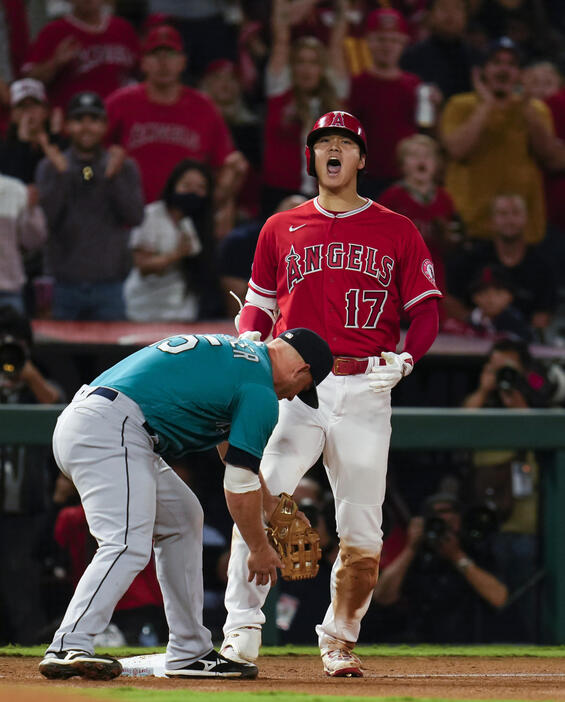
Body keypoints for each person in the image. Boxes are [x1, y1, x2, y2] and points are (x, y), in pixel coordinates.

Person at [220, 110, 442, 677]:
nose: (334, 150)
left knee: (363, 530)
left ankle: (339, 638)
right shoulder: (280, 226)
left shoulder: (397, 228)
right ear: (313, 157)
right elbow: (258, 303)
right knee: (263, 502)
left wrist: (409, 357)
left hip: (368, 384)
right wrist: (249, 342)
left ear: (362, 159)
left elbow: (427, 310)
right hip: (297, 389)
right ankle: (241, 630)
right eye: (324, 144)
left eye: (344, 143)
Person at [38, 326, 333, 681]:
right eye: (303, 389)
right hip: (113, 428)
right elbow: (238, 483)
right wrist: (258, 547)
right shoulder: (260, 389)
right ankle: (69, 643)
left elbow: (230, 450)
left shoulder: (242, 358)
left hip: (105, 421)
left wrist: (269, 505)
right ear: (302, 371)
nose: (292, 398)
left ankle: (189, 651)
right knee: (127, 543)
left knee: (183, 518)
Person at [105, 24, 247, 211]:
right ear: (143, 62)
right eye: (156, 54)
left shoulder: (203, 107)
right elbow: (85, 161)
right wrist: (91, 173)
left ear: (182, 62)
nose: (163, 63)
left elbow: (226, 164)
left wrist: (220, 207)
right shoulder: (120, 102)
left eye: (171, 55)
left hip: (186, 217)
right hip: (128, 216)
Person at [35, 91, 144, 321]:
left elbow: (135, 217)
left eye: (93, 120)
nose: (86, 127)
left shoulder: (123, 166)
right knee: (58, 355)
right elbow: (46, 222)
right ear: (67, 125)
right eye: (79, 120)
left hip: (110, 285)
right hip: (63, 285)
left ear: (105, 125)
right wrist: (63, 175)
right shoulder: (50, 166)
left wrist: (113, 177)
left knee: (113, 357)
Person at [440, 37, 555, 243]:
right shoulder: (460, 105)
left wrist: (526, 105)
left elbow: (547, 155)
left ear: (520, 74)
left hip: (524, 229)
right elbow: (457, 150)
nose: (504, 70)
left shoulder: (535, 109)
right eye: (496, 63)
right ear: (482, 71)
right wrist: (486, 106)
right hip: (472, 226)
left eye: (511, 65)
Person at [0, 305, 63, 645]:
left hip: (29, 506)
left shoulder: (40, 381)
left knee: (20, 576)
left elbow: (59, 407)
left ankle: (31, 651)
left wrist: (27, 373)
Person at [371, 493, 508, 643]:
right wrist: (411, 548)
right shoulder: (416, 555)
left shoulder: (477, 551)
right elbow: (382, 598)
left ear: (461, 518)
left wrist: (457, 556)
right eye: (436, 515)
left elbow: (499, 598)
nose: (444, 519)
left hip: (469, 642)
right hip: (418, 646)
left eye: (450, 512)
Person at [261, 0, 348, 214]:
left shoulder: (335, 95)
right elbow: (281, 38)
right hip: (279, 191)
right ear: (292, 66)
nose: (306, 69)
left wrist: (343, 8)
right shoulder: (280, 91)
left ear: (323, 68)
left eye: (314, 62)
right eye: (300, 62)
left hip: (326, 193)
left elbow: (337, 43)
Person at [124, 159, 223, 322]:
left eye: (200, 188)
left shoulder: (202, 221)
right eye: (187, 185)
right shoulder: (152, 215)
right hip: (144, 306)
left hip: (182, 308)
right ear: (173, 186)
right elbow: (143, 266)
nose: (193, 193)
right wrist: (177, 254)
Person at [445, 193, 557, 338]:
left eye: (515, 213)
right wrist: (477, 323)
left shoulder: (542, 266)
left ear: (526, 219)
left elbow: (543, 314)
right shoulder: (470, 259)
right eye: (503, 214)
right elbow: (451, 301)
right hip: (471, 340)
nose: (509, 220)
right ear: (491, 221)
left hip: (522, 344)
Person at [348, 8, 424, 199]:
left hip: (406, 180)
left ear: (403, 43)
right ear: (369, 42)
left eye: (393, 40)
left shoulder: (415, 86)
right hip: (364, 179)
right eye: (381, 39)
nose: (387, 46)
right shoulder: (356, 85)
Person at [22, 0, 139, 110]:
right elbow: (28, 81)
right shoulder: (54, 31)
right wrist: (55, 62)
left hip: (118, 117)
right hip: (73, 120)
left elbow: (143, 73)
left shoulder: (123, 28)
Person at [400, 0, 482, 100]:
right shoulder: (411, 57)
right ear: (430, 16)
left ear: (466, 16)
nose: (450, 13)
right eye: (443, 7)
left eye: (457, 8)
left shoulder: (477, 60)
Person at [0, 172, 47, 314]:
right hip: (9, 289)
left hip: (8, 289)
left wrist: (31, 210)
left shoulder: (14, 190)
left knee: (15, 335)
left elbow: (33, 241)